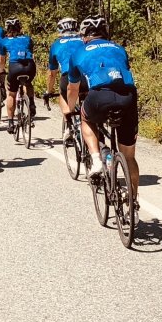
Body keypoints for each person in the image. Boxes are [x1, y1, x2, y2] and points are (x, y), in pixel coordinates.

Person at [65, 15, 140, 198]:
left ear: (84, 36)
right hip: (127, 97)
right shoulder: (119, 48)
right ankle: (133, 202)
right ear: (105, 33)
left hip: (99, 96)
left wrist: (70, 110)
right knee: (129, 157)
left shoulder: (78, 53)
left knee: (85, 119)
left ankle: (97, 160)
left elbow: (72, 88)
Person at [46, 17, 87, 143]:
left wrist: (49, 90)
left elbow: (52, 74)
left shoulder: (56, 45)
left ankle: (68, 124)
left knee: (62, 94)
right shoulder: (84, 40)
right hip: (86, 76)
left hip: (68, 76)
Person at [0, 17, 37, 132]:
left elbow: (2, 60)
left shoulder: (4, 41)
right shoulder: (27, 38)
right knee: (28, 83)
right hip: (29, 66)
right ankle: (31, 102)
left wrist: (1, 70)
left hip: (15, 67)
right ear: (20, 27)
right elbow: (31, 52)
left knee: (11, 94)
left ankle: (10, 123)